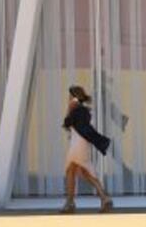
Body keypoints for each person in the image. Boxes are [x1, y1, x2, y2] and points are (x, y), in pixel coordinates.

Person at [60, 85, 113, 214]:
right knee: (85, 172)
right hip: (83, 144)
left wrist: (69, 108)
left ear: (74, 97)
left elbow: (66, 123)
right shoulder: (86, 110)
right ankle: (104, 198)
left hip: (76, 145)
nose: (68, 98)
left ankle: (70, 203)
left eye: (70, 96)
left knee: (71, 171)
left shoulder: (76, 109)